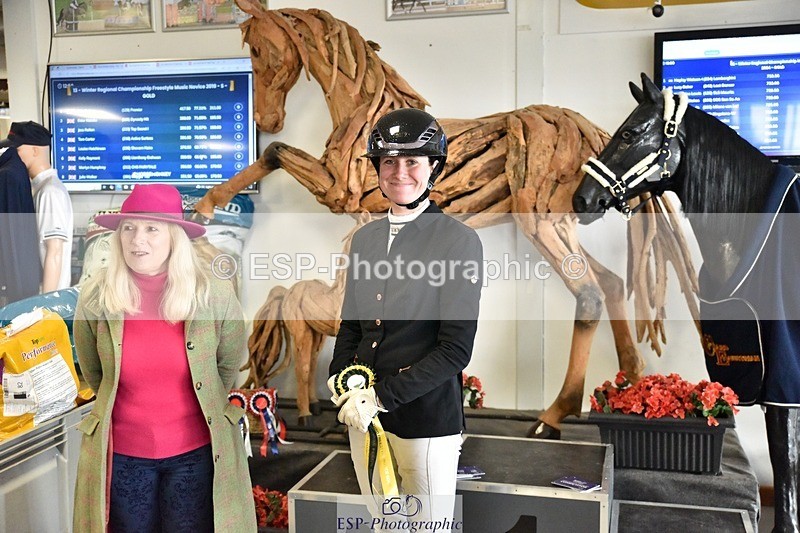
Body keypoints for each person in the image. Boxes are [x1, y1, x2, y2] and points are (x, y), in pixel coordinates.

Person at [329, 108, 483, 530]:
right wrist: (343, 384)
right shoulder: (365, 239)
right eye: (389, 162)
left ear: (433, 167)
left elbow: (455, 349)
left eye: (412, 161)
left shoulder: (458, 241)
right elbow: (352, 327)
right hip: (362, 418)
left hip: (426, 421)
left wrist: (379, 398)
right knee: (382, 526)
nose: (400, 172)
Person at [72, 184, 256, 532]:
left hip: (195, 455)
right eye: (129, 227)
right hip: (124, 457)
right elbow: (95, 372)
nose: (136, 239)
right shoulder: (96, 296)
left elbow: (226, 367)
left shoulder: (212, 293)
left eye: (151, 228)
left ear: (174, 237)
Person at [5, 121, 74, 292]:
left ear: (35, 150)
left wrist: (44, 304)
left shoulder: (50, 191)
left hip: (47, 300)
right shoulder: (41, 188)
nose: (12, 155)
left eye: (17, 149)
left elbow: (54, 251)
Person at [0, 142, 41, 306]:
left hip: (9, 286)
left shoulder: (7, 175)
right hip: (17, 284)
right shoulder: (14, 169)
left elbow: (10, 234)